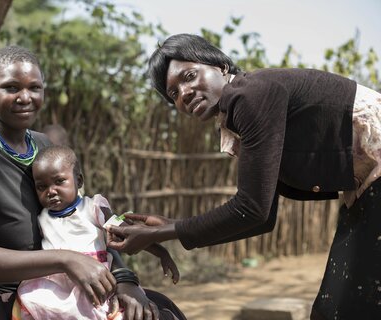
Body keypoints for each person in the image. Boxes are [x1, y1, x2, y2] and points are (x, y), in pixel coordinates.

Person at [106, 33, 381, 319]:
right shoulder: (243, 111)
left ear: (221, 67)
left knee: (345, 308)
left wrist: (162, 232)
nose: (184, 93)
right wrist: (171, 226)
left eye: (189, 76)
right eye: (173, 94)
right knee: (335, 308)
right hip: (365, 189)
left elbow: (251, 208)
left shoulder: (252, 95)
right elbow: (262, 218)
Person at [0, 45, 186, 320]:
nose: (25, 97)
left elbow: (86, 222)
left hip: (62, 290)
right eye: (11, 88)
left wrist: (125, 279)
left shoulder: (46, 148)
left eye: (35, 88)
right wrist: (65, 260)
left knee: (159, 311)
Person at [13, 145, 180, 319]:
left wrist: (161, 252)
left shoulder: (93, 208)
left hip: (97, 282)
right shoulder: (41, 217)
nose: (51, 191)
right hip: (57, 288)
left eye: (59, 181)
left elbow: (128, 232)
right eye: (41, 187)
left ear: (79, 181)